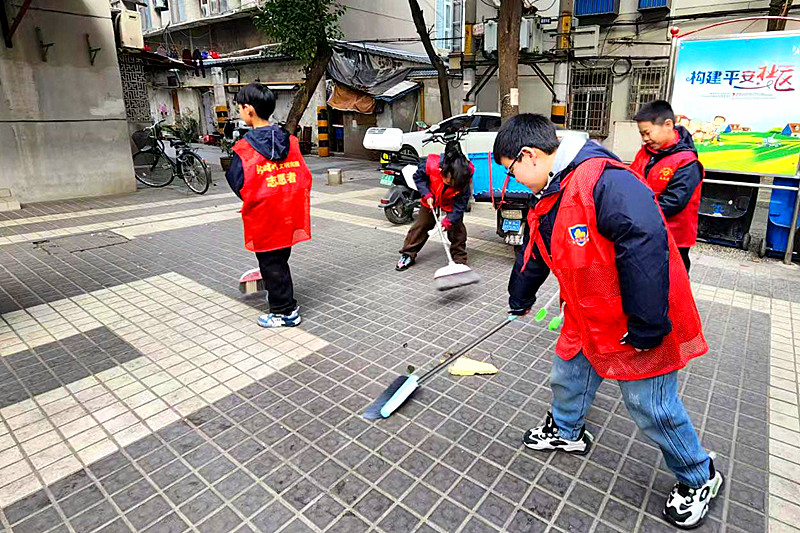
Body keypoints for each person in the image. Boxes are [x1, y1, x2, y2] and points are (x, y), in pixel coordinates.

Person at [493, 114, 721, 530]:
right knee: (569, 373)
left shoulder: (606, 181)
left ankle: (699, 474)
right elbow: (537, 247)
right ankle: (566, 431)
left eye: (511, 171)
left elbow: (645, 246)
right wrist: (520, 297)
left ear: (529, 155)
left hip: (635, 317)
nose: (514, 181)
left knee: (650, 404)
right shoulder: (549, 190)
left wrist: (648, 324)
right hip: (587, 311)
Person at [225, 83, 312, 328]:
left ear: (249, 110)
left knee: (271, 263)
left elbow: (237, 181)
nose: (240, 112)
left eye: (240, 108)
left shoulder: (244, 148)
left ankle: (285, 312)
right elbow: (304, 178)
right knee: (279, 259)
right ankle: (278, 294)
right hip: (288, 213)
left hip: (264, 216)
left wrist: (257, 196)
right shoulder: (290, 141)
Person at [631, 100, 704, 273]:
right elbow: (630, 180)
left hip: (672, 237)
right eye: (642, 134)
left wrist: (633, 212)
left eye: (648, 133)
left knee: (672, 282)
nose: (645, 139)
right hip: (644, 231)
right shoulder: (646, 153)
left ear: (668, 125)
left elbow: (673, 202)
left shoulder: (687, 162)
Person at [395, 144, 473, 271]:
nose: (452, 184)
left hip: (451, 200)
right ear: (442, 171)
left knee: (457, 227)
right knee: (423, 224)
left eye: (455, 184)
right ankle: (408, 254)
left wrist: (448, 221)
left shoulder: (464, 175)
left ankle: (459, 259)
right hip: (431, 196)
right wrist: (426, 194)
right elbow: (418, 178)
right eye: (449, 181)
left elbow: (460, 204)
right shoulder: (430, 165)